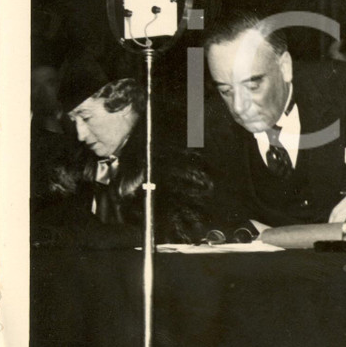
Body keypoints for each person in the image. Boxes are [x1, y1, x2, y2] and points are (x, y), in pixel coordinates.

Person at [203, 13, 346, 228]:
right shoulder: (209, 123)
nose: (239, 106)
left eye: (252, 86)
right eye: (225, 90)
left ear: (285, 66)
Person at [32, 61, 213, 247]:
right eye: (74, 121)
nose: (80, 134)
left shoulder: (172, 160)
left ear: (124, 104)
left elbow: (177, 235)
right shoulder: (74, 162)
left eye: (86, 117)